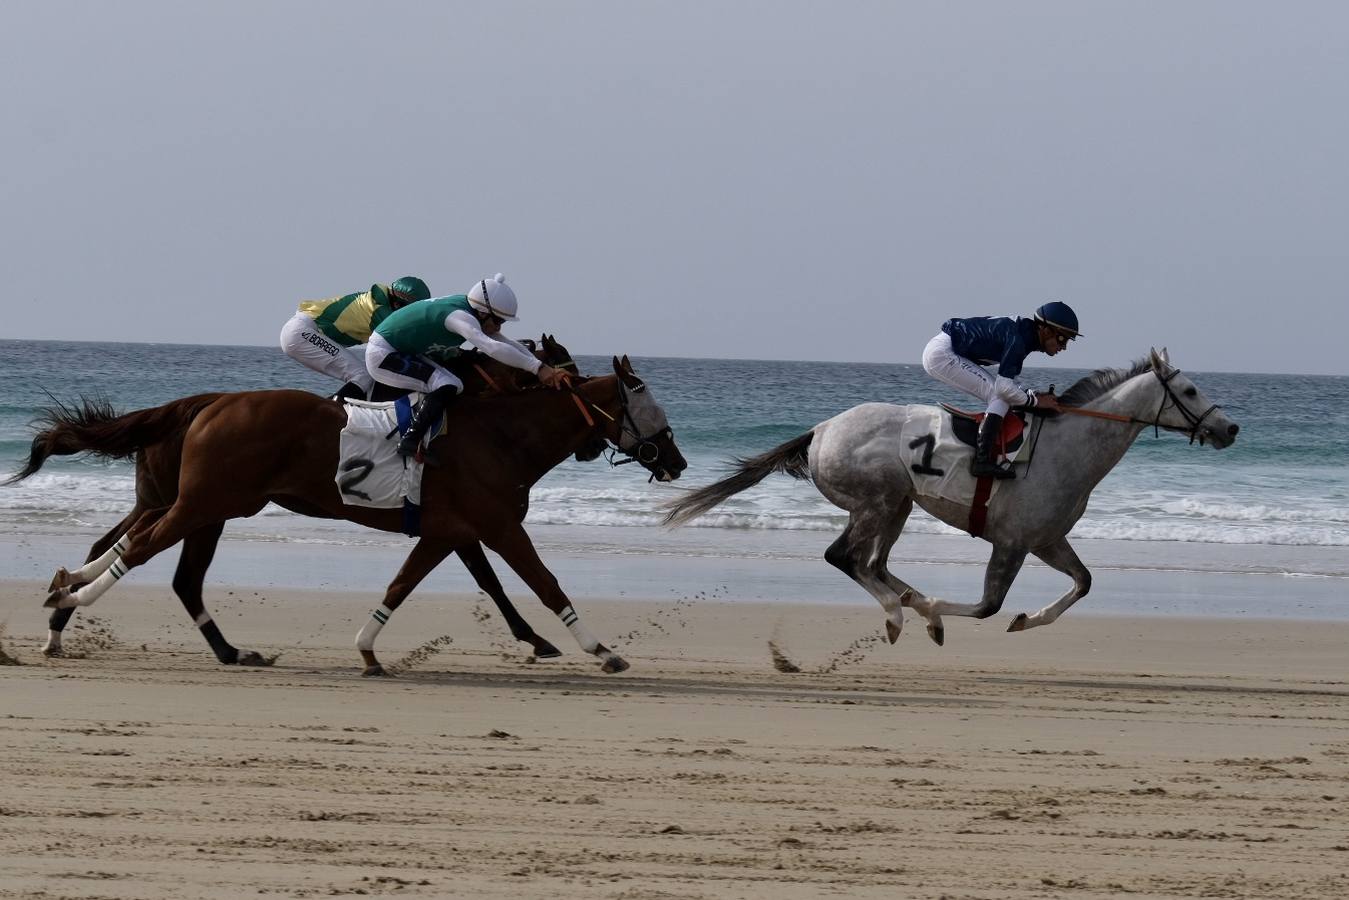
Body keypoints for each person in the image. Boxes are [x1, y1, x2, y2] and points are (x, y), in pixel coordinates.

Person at [366, 273, 573, 458]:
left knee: (453, 382)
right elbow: (492, 348)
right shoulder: (459, 317)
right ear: (483, 313)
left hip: (402, 351)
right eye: (499, 321)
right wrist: (537, 368)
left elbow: (504, 342)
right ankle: (410, 441)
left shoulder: (470, 308)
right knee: (448, 384)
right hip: (384, 354)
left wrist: (543, 367)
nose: (499, 327)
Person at [921, 301, 1080, 479]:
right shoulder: (1018, 340)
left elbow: (1009, 382)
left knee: (1004, 395)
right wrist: (1035, 402)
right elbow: (1004, 389)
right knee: (1000, 397)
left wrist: (1030, 395)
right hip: (943, 354)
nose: (1064, 346)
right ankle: (981, 462)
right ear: (1046, 330)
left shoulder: (1025, 335)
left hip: (947, 350)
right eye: (1063, 338)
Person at [279, 276, 432, 401]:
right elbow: (409, 345)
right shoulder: (379, 311)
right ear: (398, 304)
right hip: (302, 333)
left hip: (301, 331)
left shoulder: (381, 303)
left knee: (366, 377)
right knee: (363, 377)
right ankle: (326, 416)